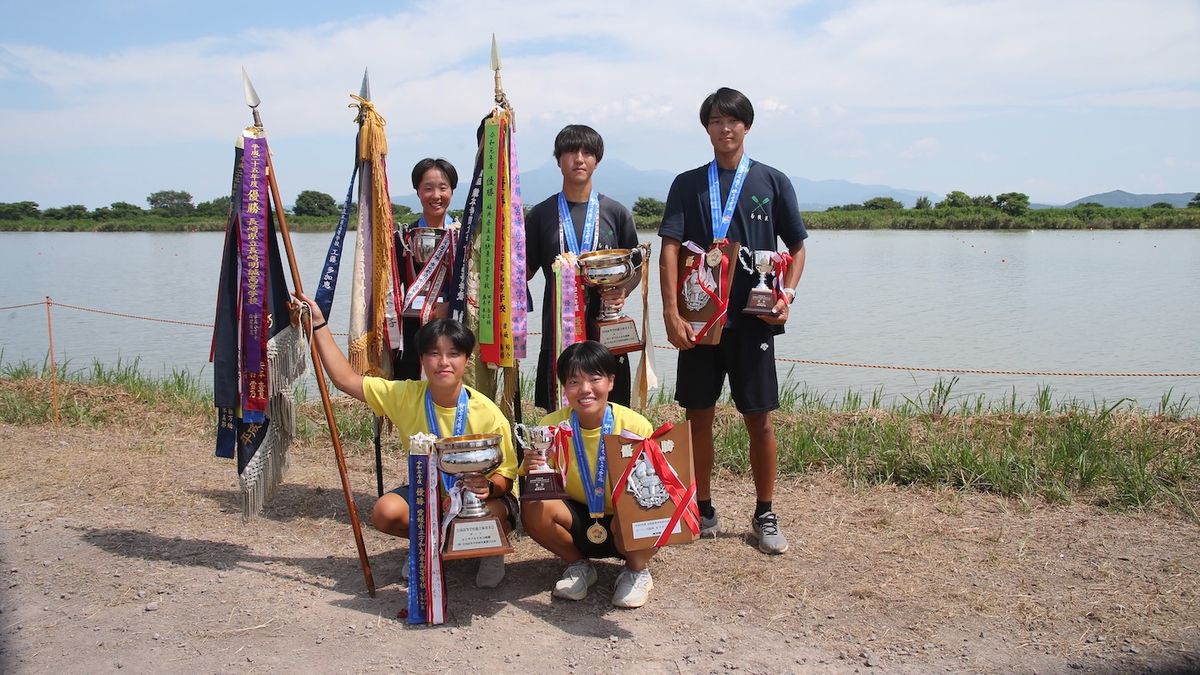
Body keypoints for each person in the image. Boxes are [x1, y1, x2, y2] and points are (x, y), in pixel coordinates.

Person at [657, 87, 807, 555]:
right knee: (697, 415)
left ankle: (765, 512)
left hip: (753, 319)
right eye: (717, 121)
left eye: (734, 120)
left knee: (758, 418)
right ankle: (701, 506)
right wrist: (670, 311)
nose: (726, 128)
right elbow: (669, 249)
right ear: (706, 128)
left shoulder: (772, 181)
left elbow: (798, 247)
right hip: (699, 320)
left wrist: (787, 293)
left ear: (747, 126)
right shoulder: (687, 184)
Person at [298, 293, 518, 588]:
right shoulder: (404, 395)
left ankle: (490, 549)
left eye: (453, 354)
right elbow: (344, 379)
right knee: (385, 512)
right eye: (433, 354)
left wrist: (487, 487)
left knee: (493, 512)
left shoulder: (488, 412)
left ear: (467, 359)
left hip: (480, 498)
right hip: (427, 494)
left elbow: (507, 475)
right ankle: (426, 543)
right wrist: (319, 324)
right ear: (423, 359)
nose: (443, 362)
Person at [520, 341, 658, 608]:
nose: (585, 390)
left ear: (610, 382)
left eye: (594, 379)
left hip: (623, 518)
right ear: (564, 387)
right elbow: (538, 482)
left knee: (645, 505)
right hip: (577, 518)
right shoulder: (551, 426)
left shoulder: (635, 426)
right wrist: (532, 465)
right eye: (574, 382)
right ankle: (579, 566)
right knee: (533, 504)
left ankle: (637, 570)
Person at [525, 124, 640, 411]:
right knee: (560, 416)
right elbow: (522, 272)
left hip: (609, 333)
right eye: (571, 152)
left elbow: (636, 267)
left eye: (588, 152)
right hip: (559, 334)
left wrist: (622, 290)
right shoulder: (541, 215)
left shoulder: (616, 212)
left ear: (597, 161)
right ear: (558, 159)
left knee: (613, 413)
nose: (579, 158)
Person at [393, 158, 459, 380]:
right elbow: (391, 287)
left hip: (454, 330)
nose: (436, 195)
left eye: (443, 187)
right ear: (417, 191)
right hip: (412, 334)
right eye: (428, 188)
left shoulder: (463, 237)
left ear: (452, 190)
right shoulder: (402, 238)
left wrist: (450, 306)